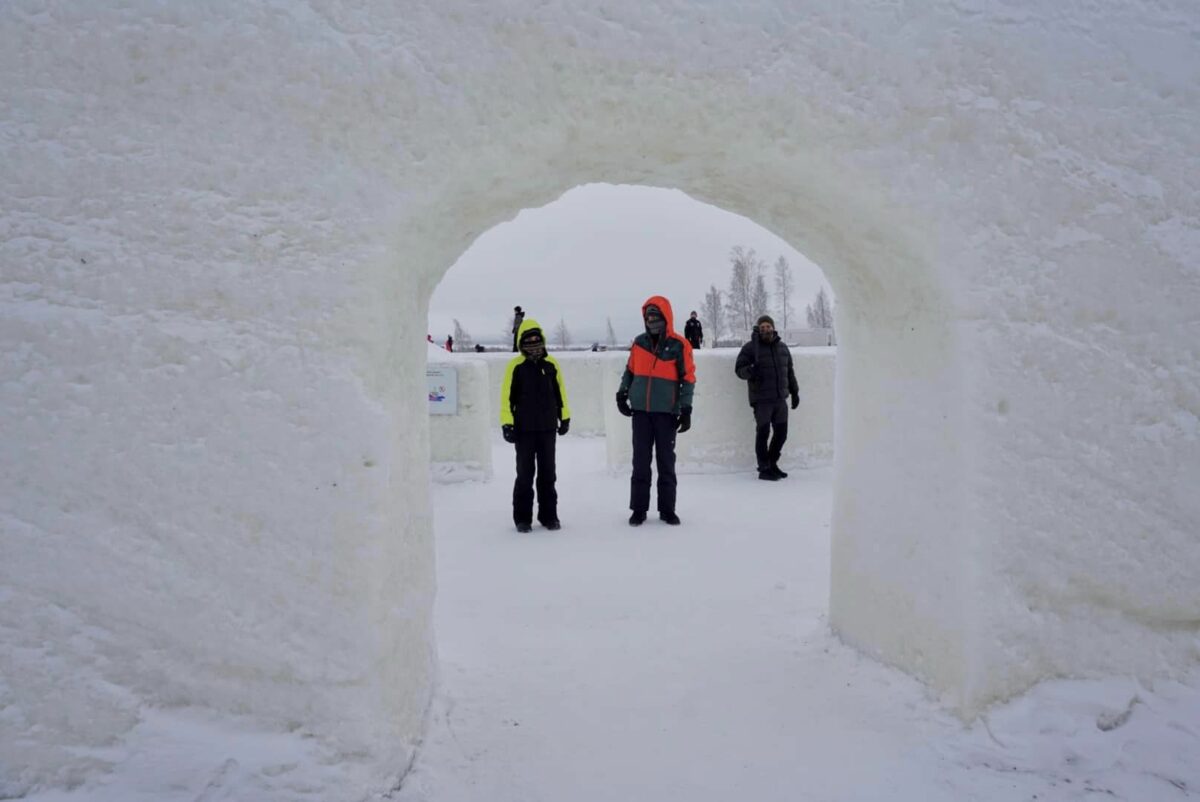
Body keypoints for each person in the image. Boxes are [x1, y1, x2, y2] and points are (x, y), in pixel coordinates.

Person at [615, 296, 695, 526]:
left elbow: (688, 378)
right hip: (641, 413)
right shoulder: (639, 343)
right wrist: (622, 393)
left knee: (665, 462)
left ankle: (667, 509)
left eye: (656, 317)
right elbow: (630, 371)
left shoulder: (679, 345)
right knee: (640, 462)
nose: (652, 321)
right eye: (648, 317)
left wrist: (686, 408)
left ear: (665, 318)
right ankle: (638, 509)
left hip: (666, 414)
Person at [500, 318, 571, 532]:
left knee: (548, 474)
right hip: (524, 430)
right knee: (525, 474)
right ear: (521, 342)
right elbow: (506, 397)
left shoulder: (551, 364)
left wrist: (564, 416)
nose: (532, 343)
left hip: (548, 428)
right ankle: (522, 518)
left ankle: (549, 516)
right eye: (528, 339)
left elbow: (560, 392)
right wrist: (507, 423)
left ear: (542, 340)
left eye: (536, 339)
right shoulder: (516, 366)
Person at [735, 315, 799, 481]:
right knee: (763, 434)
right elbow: (739, 370)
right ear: (758, 329)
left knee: (781, 434)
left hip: (780, 399)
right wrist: (751, 370)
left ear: (773, 327)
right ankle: (764, 469)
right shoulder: (750, 348)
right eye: (762, 327)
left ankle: (772, 463)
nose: (766, 330)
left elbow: (789, 372)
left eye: (768, 326)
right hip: (762, 399)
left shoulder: (783, 348)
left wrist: (795, 392)